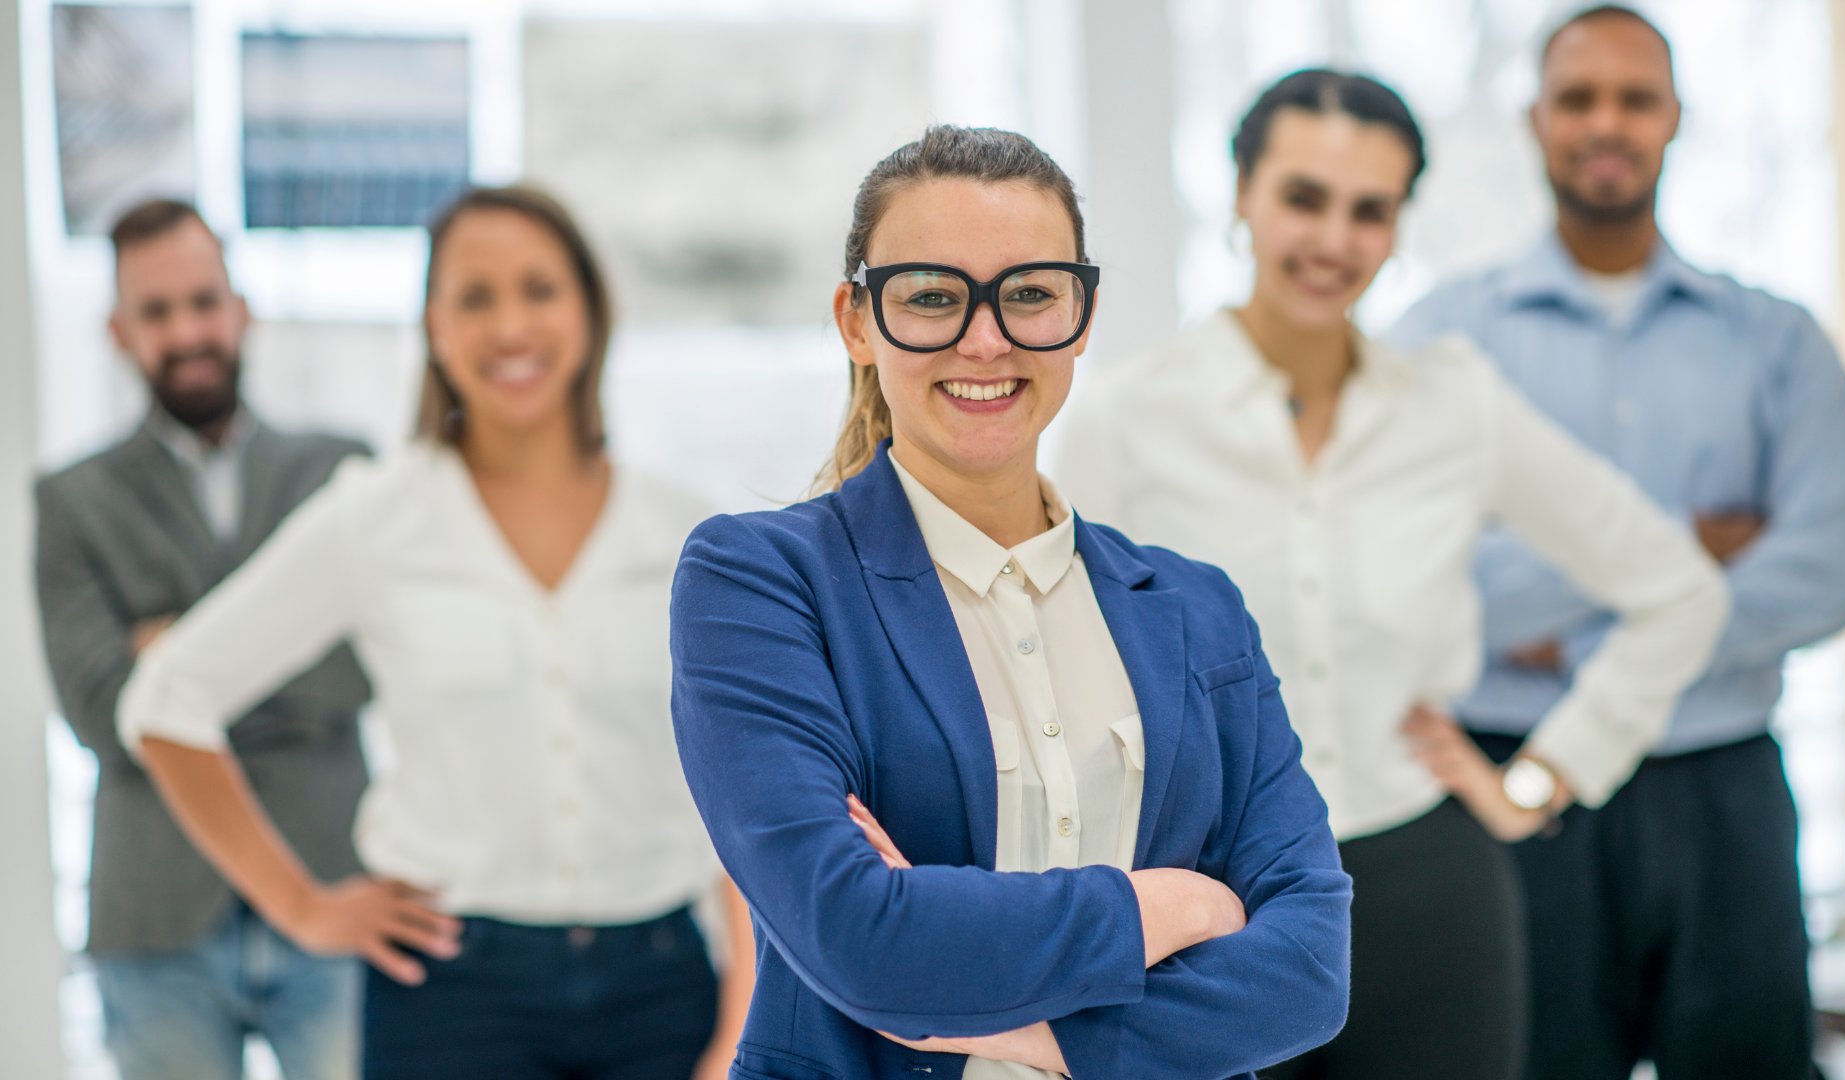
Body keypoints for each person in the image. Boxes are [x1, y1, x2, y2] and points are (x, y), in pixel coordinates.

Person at [1054, 68, 1728, 1080]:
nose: (1334, 240)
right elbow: (1059, 667)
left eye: (1371, 210)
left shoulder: (1455, 407)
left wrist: (1542, 779)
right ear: (1241, 195)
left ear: (1402, 223)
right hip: (1202, 897)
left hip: (1428, 900)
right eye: (1303, 198)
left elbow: (1680, 589)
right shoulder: (1131, 416)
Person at [669, 125, 1350, 1080]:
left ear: (1082, 311)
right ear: (858, 321)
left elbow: (1310, 972)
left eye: (1028, 294)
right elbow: (857, 938)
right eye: (933, 297)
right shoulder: (760, 582)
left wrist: (1004, 1026)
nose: (983, 339)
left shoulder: (1197, 610)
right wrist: (1174, 907)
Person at [117, 186, 753, 1080]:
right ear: (434, 329)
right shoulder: (376, 518)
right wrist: (301, 907)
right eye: (474, 297)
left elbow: (741, 789)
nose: (510, 326)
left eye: (538, 288)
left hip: (663, 988)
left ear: (589, 309)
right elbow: (166, 699)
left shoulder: (685, 533)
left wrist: (743, 1021)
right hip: (452, 997)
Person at [1391, 7, 1845, 1078]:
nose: (1606, 122)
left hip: (1723, 795)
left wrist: (1561, 625)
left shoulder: (1779, 343)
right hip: (1516, 792)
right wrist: (1685, 559)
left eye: (1634, 97)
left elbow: (1829, 573)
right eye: (1578, 97)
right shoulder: (1438, 341)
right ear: (1534, 119)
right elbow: (1410, 584)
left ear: (1674, 120)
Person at [34, 198, 372, 1080]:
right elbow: (102, 709)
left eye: (202, 301)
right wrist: (279, 644)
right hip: (156, 922)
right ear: (118, 330)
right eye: (156, 311)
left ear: (240, 307)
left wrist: (175, 655)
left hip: (334, 883)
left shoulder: (341, 471)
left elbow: (361, 671)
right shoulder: (71, 502)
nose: (186, 331)